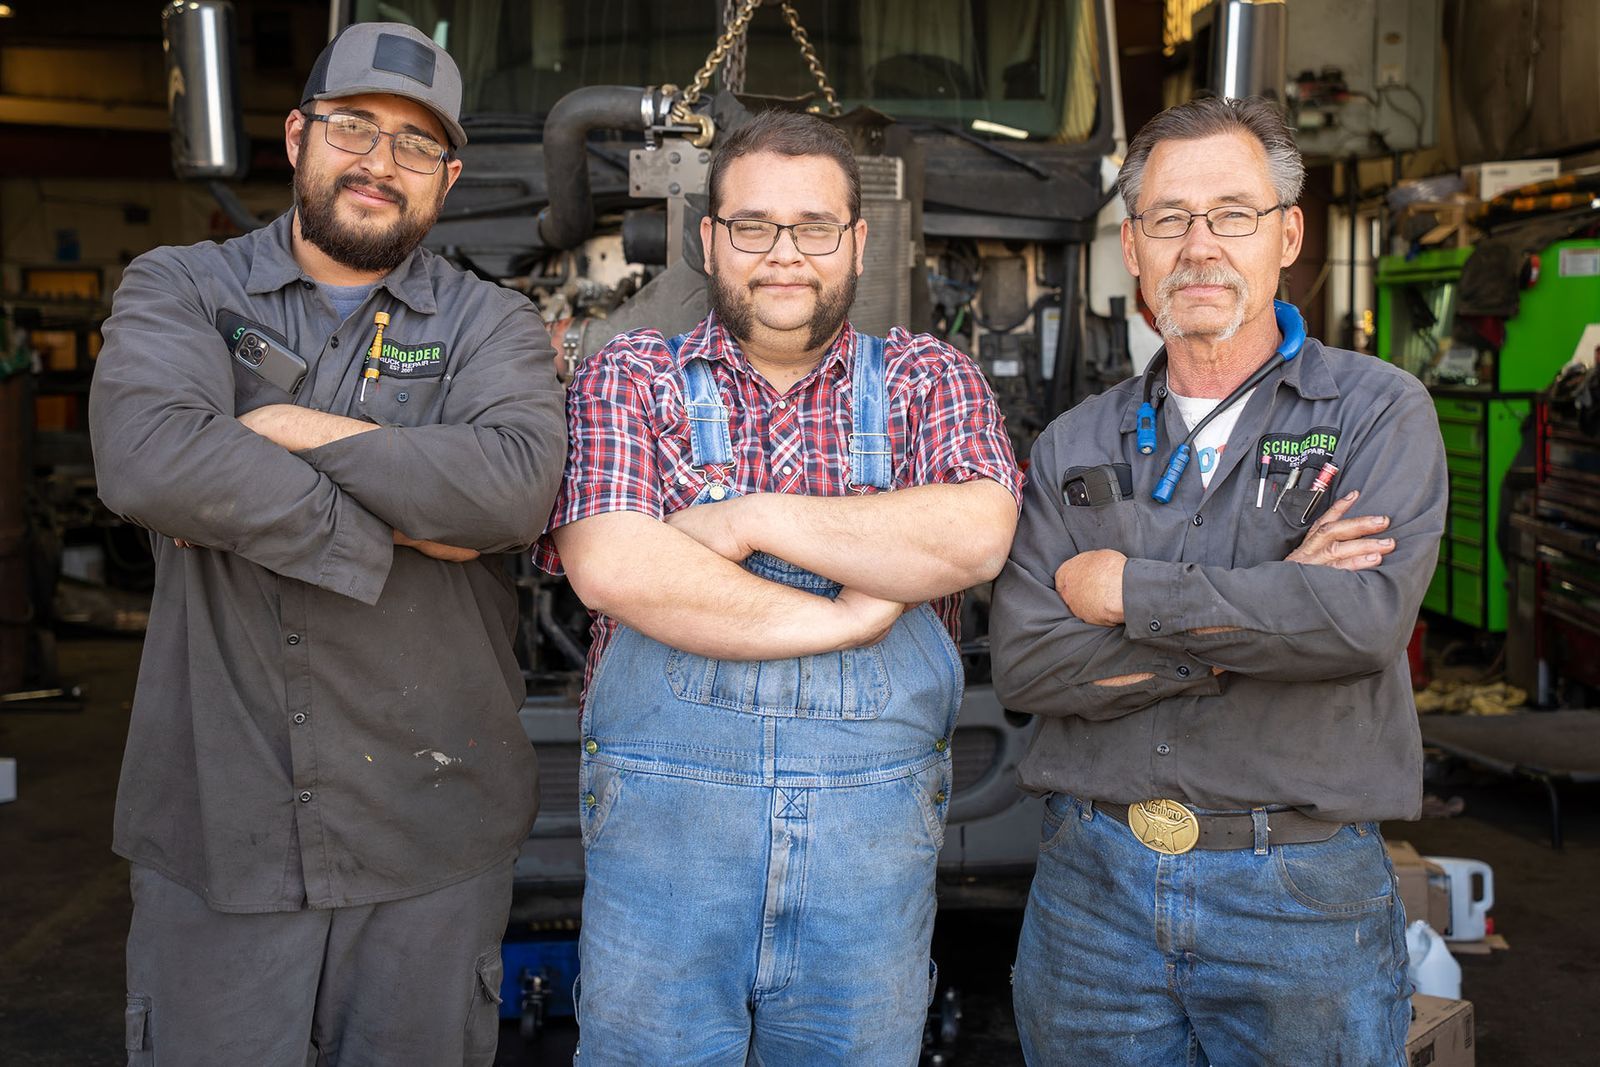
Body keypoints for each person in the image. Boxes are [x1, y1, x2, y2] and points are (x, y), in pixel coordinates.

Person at [90, 23, 565, 1066]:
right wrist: (392, 528)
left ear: (447, 178)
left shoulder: (495, 326)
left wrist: (285, 432)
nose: (378, 164)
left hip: (428, 832)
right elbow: (149, 459)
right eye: (354, 126)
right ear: (300, 133)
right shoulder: (181, 287)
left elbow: (511, 492)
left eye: (414, 146)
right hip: (221, 824)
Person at [536, 109, 1021, 1065]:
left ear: (858, 240)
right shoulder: (631, 376)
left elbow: (976, 532)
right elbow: (613, 566)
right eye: (753, 226)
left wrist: (749, 519)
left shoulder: (931, 379)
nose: (783, 255)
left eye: (813, 228)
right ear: (710, 239)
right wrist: (846, 615)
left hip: (865, 881)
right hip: (665, 869)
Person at [990, 95, 1447, 1066]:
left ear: (1286, 234)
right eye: (1168, 218)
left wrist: (1129, 592)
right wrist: (1268, 614)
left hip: (1299, 894)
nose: (1200, 244)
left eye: (1232, 213)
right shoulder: (1074, 441)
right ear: (1135, 250)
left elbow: (1359, 622)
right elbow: (1027, 665)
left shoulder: (1375, 411)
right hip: (1090, 890)